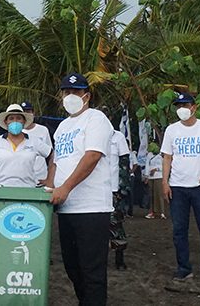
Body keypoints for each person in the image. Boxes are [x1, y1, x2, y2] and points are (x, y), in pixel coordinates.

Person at [50, 72, 113, 305]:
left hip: (92, 207)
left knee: (92, 270)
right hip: (66, 207)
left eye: (76, 92)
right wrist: (50, 185)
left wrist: (65, 187)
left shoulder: (96, 119)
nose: (70, 96)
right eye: (66, 92)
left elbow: (93, 155)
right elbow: (56, 160)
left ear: (87, 95)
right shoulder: (63, 126)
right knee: (72, 266)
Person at [160, 92, 200, 285]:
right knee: (179, 230)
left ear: (194, 107)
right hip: (177, 187)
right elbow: (167, 158)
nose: (182, 109)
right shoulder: (172, 130)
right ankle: (183, 268)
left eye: (186, 105)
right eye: (178, 105)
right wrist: (165, 182)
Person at [0, 104, 52, 187]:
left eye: (19, 118)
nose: (15, 121)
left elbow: (52, 155)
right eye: (11, 118)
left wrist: (50, 180)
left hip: (28, 190)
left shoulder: (34, 141)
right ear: (6, 122)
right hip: (1, 190)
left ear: (24, 121)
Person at [107, 127, 131, 270]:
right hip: (95, 190)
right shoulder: (89, 135)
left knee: (116, 226)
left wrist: (122, 189)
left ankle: (119, 259)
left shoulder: (118, 137)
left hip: (114, 190)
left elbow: (124, 164)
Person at [21, 101, 53, 185]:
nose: (26, 114)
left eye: (28, 112)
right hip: (23, 178)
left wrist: (49, 179)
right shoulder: (16, 132)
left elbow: (51, 155)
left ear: (33, 113)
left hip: (41, 177)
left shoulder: (43, 130)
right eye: (23, 112)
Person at [145, 145, 165, 219]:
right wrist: (146, 176)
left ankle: (162, 212)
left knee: (159, 194)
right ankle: (152, 212)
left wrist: (156, 169)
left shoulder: (160, 156)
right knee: (151, 195)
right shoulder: (149, 155)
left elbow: (163, 166)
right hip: (151, 177)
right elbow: (147, 165)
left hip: (159, 177)